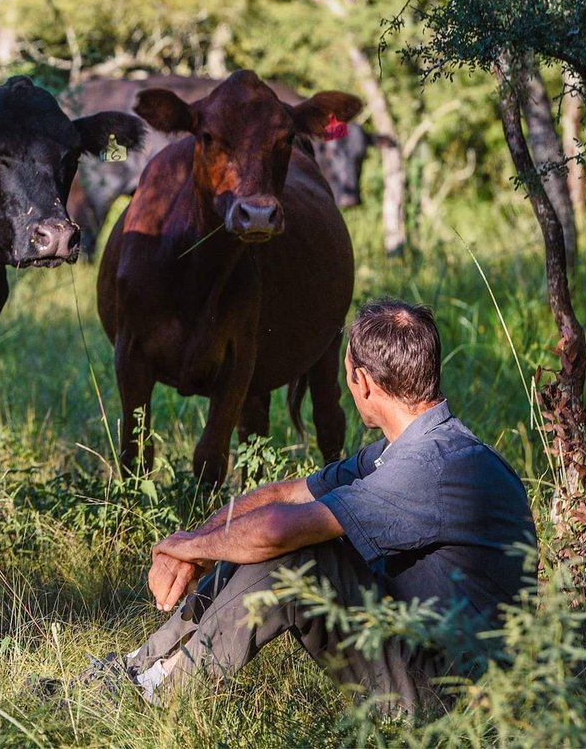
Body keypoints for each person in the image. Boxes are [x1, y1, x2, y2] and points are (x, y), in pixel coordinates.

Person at [101, 298, 535, 712]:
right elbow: (288, 494)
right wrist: (198, 542)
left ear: (361, 382)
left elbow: (279, 530)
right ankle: (140, 668)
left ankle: (159, 693)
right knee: (262, 534)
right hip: (428, 654)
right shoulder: (409, 445)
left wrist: (190, 549)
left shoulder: (433, 465)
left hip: (457, 694)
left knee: (297, 554)